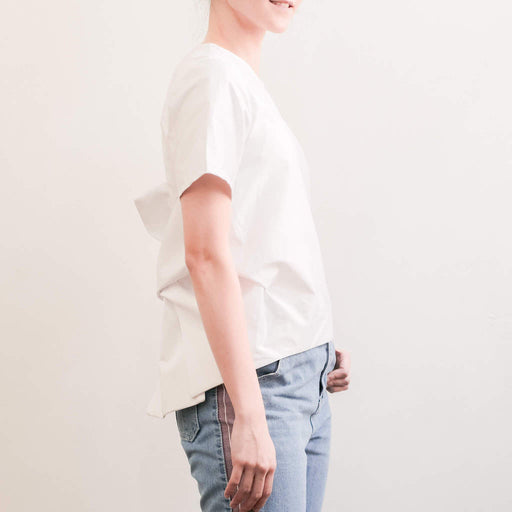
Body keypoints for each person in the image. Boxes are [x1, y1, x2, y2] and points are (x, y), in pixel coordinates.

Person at [133, 0, 351, 510]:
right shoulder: (212, 79)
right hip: (256, 390)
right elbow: (204, 253)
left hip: (297, 378)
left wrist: (311, 340)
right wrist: (250, 415)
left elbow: (262, 239)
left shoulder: (240, 83)